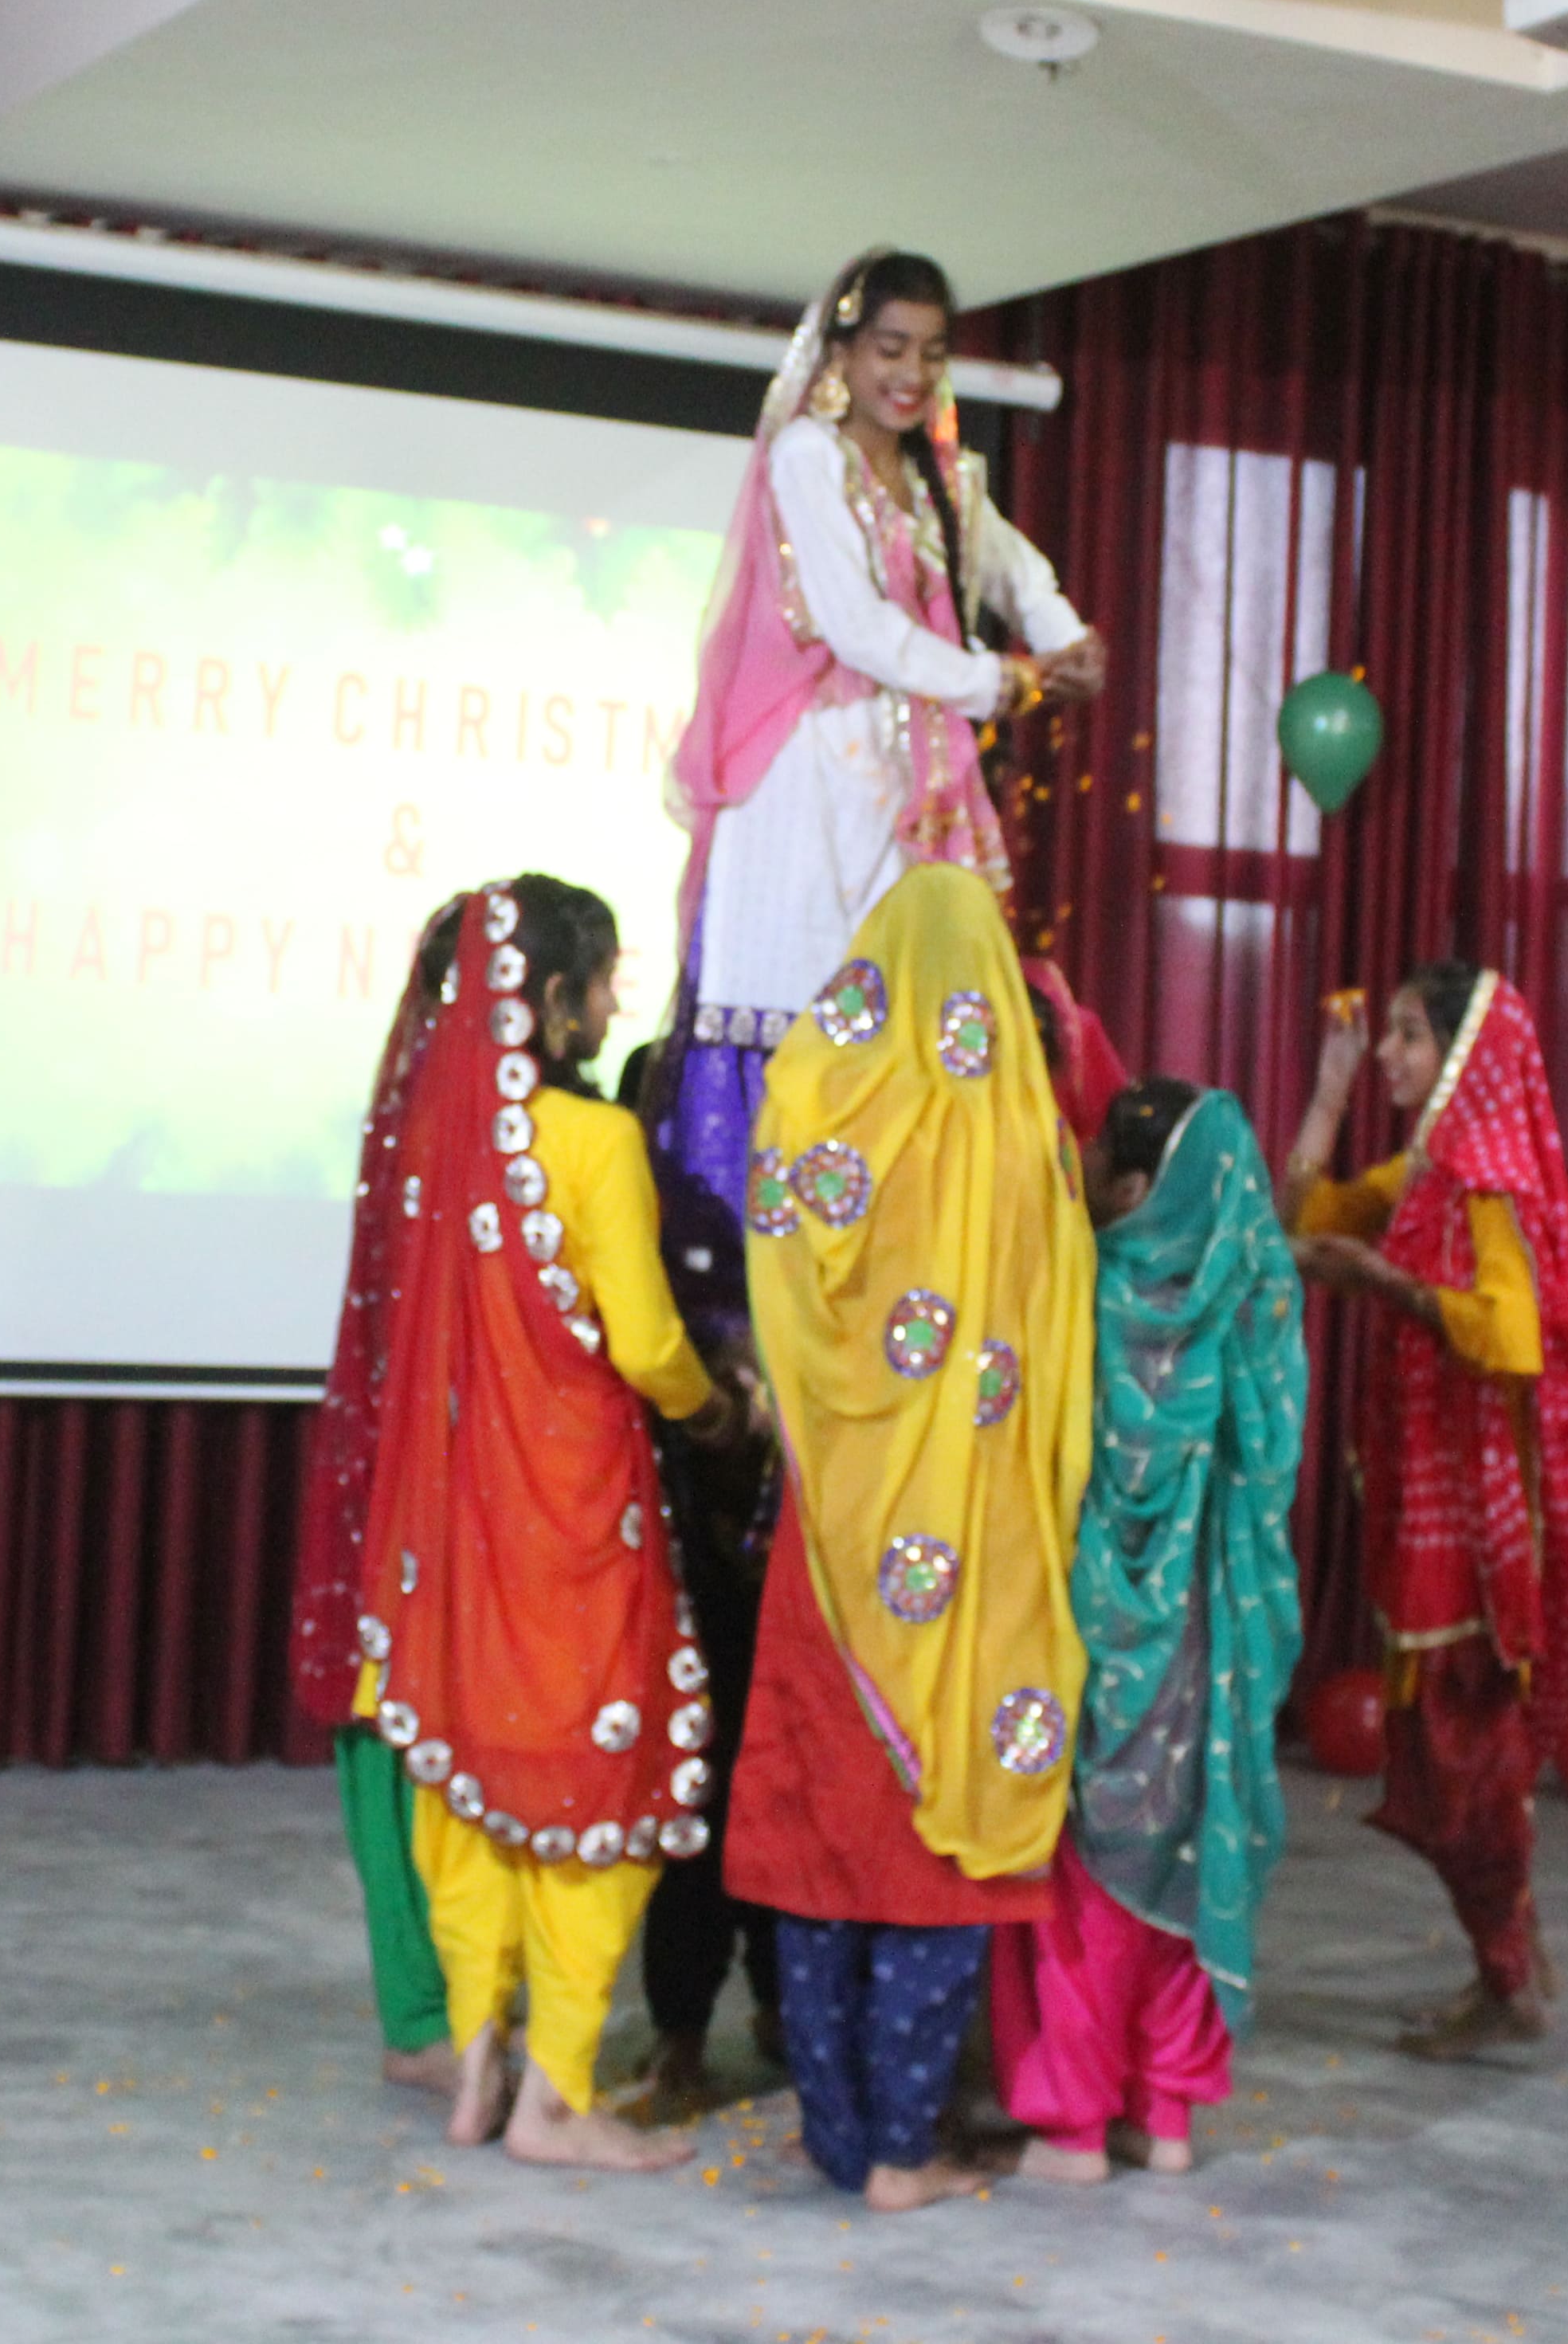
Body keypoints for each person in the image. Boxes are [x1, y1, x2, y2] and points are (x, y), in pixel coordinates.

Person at [344, 875, 727, 2170]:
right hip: (571, 1514)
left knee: (469, 1773)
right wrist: (720, 1410)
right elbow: (647, 1347)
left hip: (454, 1522)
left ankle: (476, 2058)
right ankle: (557, 2091)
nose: (617, 1005)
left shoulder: (426, 1141)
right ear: (554, 1001)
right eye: (605, 981)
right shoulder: (596, 1143)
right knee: (593, 1776)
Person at [731, 860, 1096, 2209]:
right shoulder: (1022, 1136)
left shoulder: (826, 1107)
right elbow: (1063, 1346)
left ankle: (839, 2135)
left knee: (823, 1835)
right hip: (977, 1537)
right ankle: (901, 2148)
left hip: (837, 1541)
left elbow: (777, 1258)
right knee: (945, 1838)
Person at [658, 247, 1103, 1223]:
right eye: (891, 349)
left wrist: (1069, 643)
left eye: (931, 354)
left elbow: (1015, 571)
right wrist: (1001, 681)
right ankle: (758, 1257)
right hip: (810, 776)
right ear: (843, 353)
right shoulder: (808, 459)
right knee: (795, 1008)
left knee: (902, 1024)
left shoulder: (946, 476)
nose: (911, 374)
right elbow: (855, 626)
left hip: (911, 781)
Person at [1283, 961, 1568, 2059]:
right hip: (1430, 1503)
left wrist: (1387, 1286)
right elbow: (1307, 1219)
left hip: (1479, 1526)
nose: (1390, 1053)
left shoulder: (1487, 1184)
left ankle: (1509, 1977)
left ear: (1466, 1054)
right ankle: (1510, 1955)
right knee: (1445, 1754)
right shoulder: (1428, 1167)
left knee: (1463, 1756)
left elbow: (1512, 1335)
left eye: (1411, 1035)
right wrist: (1328, 1098)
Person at [993, 1078, 1305, 2184]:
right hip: (1212, 1635)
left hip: (1099, 1635)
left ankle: (1075, 2125)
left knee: (1091, 1872)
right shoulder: (1252, 1299)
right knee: (1185, 1853)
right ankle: (1165, 2114)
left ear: (1134, 1189)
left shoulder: (1085, 1288)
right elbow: (1268, 1465)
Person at [290, 893, 468, 2097]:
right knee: (393, 1711)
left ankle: (439, 2008)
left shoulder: (428, 1105)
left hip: (435, 1467)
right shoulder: (458, 1124)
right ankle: (424, 2014)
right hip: (428, 1471)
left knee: (403, 1708)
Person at [620, 1044, 788, 2119]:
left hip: (784, 1510)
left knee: (777, 1765)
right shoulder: (628, 1188)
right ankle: (680, 2025)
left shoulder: (800, 1169)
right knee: (694, 1776)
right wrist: (718, 1396)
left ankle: (781, 2002)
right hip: (672, 1512)